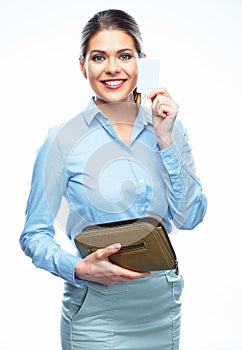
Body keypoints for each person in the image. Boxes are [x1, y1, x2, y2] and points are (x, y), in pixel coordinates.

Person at [20, 8, 207, 350]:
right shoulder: (61, 140)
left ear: (142, 61)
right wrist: (77, 268)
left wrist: (165, 140)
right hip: (96, 313)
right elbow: (34, 234)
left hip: (160, 306)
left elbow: (190, 217)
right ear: (82, 66)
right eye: (98, 57)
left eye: (124, 55)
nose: (112, 68)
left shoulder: (170, 128)